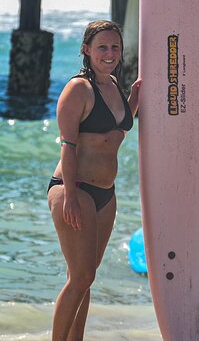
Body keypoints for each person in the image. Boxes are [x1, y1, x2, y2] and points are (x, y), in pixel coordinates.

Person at [47, 20, 141, 340]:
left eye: (115, 47)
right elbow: (68, 147)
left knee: (87, 278)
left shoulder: (113, 85)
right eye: (102, 47)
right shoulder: (79, 89)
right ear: (87, 50)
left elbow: (114, 135)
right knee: (81, 276)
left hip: (105, 193)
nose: (110, 53)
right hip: (75, 189)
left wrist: (135, 98)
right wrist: (70, 195)